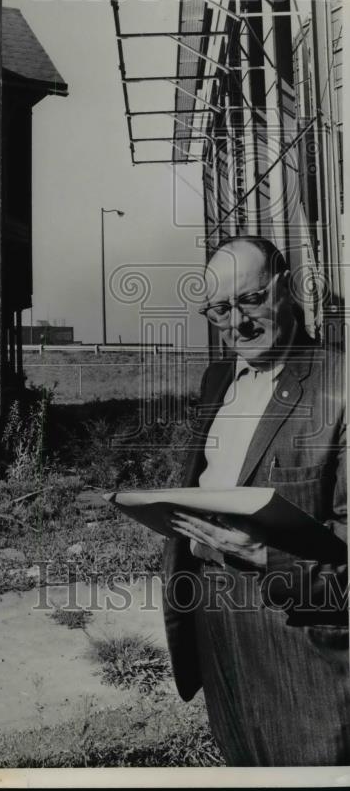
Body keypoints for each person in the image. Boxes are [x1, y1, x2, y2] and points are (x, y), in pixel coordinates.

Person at [162, 235, 349, 766]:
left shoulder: (341, 385)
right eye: (220, 308)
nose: (237, 322)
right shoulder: (216, 379)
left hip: (307, 669)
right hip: (224, 651)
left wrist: (263, 555)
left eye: (249, 300)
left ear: (287, 288)